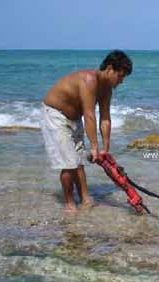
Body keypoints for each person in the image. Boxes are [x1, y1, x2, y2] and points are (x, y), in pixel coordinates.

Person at [40, 50, 132, 212]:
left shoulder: (107, 89)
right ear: (109, 69)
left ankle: (85, 198)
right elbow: (89, 114)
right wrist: (94, 147)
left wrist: (105, 149)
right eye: (120, 76)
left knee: (78, 161)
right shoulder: (89, 79)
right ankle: (69, 203)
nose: (122, 81)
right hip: (55, 114)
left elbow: (105, 118)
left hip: (74, 119)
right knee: (69, 163)